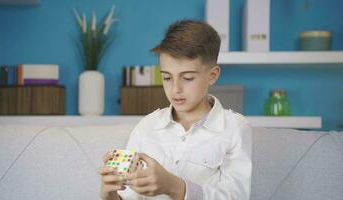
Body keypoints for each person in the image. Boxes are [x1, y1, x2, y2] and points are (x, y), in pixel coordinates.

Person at [99, 19, 252, 200]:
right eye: (166, 78)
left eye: (187, 78)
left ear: (212, 75)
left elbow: (236, 197)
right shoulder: (147, 126)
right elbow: (129, 197)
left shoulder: (234, 128)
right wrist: (110, 195)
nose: (175, 89)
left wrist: (174, 186)